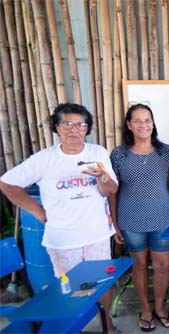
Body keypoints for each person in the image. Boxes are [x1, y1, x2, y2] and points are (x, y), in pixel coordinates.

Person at [0, 103, 119, 332]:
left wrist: (101, 176)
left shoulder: (97, 152)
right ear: (57, 127)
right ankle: (74, 327)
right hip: (63, 240)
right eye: (67, 124)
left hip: (97, 235)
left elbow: (109, 190)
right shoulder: (44, 159)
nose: (74, 130)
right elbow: (7, 183)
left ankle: (108, 327)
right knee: (70, 290)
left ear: (87, 129)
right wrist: (37, 211)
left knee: (102, 285)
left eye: (81, 125)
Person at [109, 104, 169, 331]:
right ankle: (145, 308)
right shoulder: (118, 154)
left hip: (162, 217)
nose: (144, 125)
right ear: (129, 125)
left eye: (148, 120)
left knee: (162, 266)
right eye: (138, 121)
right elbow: (113, 192)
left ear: (153, 123)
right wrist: (114, 224)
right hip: (130, 219)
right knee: (140, 265)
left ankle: (160, 307)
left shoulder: (166, 151)